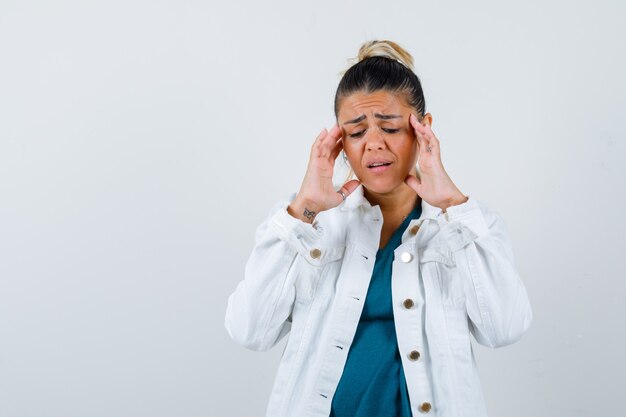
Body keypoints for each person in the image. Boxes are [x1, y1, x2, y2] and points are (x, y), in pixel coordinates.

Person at [224, 40, 532, 417]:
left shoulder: (467, 226)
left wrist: (453, 206)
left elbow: (505, 329)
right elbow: (250, 331)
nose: (373, 144)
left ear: (423, 129)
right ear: (340, 141)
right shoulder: (307, 226)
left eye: (389, 127)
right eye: (355, 133)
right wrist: (303, 211)